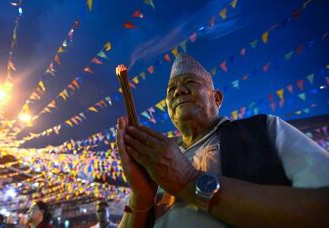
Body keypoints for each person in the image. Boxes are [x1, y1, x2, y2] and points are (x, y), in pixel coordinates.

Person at [116, 53, 329, 227]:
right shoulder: (159, 159)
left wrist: (188, 181)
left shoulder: (260, 131)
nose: (179, 91)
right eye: (171, 90)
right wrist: (141, 196)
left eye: (189, 82)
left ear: (216, 98)